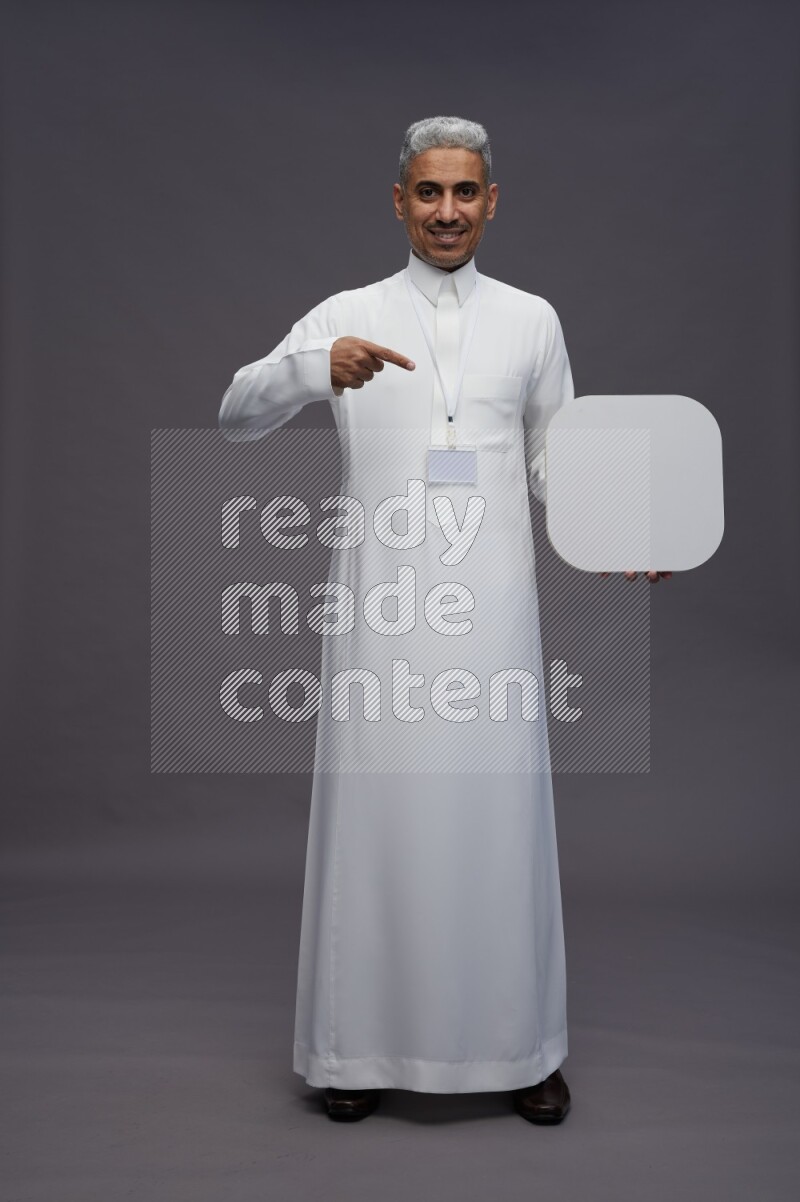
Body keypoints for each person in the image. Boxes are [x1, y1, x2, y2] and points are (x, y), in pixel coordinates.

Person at [218, 115, 667, 1125]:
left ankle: (522, 1050)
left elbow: (555, 460)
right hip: (381, 614)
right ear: (398, 201)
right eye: (428, 192)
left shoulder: (532, 320)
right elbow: (234, 409)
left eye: (465, 192)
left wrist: (621, 528)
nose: (447, 210)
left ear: (491, 201)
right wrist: (308, 367)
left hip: (494, 619)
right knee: (378, 826)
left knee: (498, 825)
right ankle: (354, 1049)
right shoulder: (347, 312)